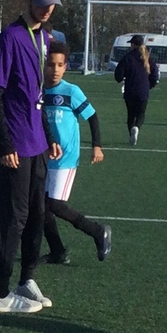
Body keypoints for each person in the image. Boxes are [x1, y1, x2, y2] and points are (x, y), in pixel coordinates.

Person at [0, 0, 60, 314]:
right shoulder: (10, 38)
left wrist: (50, 137)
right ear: (28, 0)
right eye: (42, 3)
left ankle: (25, 280)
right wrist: (4, 143)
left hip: (37, 144)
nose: (47, 9)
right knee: (11, 219)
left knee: (37, 215)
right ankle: (0, 294)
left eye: (52, 3)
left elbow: (38, 97)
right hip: (12, 144)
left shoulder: (46, 37)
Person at [40, 44, 113, 265]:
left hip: (65, 158)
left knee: (55, 205)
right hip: (42, 156)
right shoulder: (38, 89)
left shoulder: (71, 91)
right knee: (41, 207)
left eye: (60, 65)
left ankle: (98, 231)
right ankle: (58, 251)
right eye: (50, 64)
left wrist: (97, 146)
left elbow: (92, 117)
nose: (55, 69)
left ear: (66, 67)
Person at [114, 32, 157, 144]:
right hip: (143, 90)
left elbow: (118, 74)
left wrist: (120, 79)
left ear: (132, 45)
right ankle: (137, 127)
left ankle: (131, 134)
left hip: (130, 90)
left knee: (131, 114)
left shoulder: (128, 57)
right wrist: (150, 85)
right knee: (141, 113)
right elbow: (155, 74)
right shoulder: (148, 57)